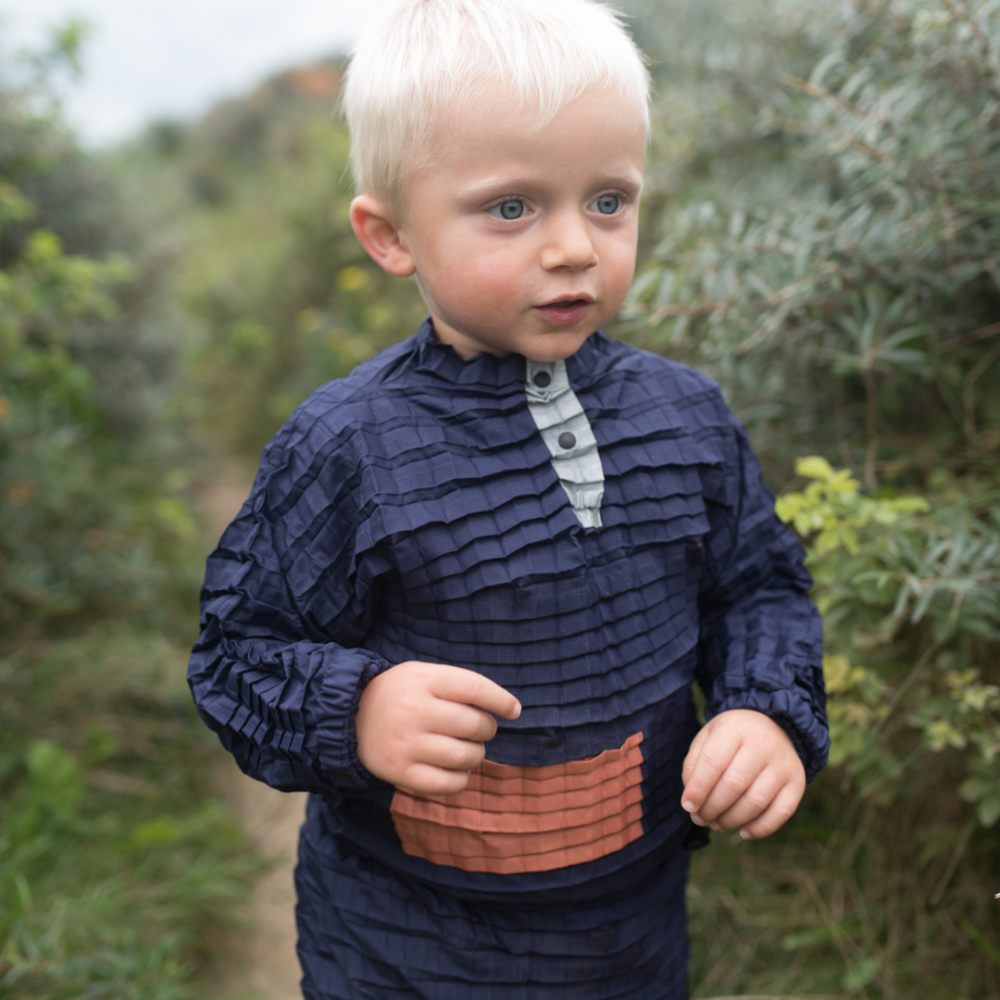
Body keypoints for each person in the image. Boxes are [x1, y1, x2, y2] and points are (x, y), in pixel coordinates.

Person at [187, 1, 829, 996]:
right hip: (401, 942)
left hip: (630, 937)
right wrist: (357, 708)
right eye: (512, 208)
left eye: (607, 200)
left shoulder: (684, 416)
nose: (574, 246)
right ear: (391, 234)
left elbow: (759, 588)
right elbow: (237, 654)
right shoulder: (347, 443)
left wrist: (763, 710)